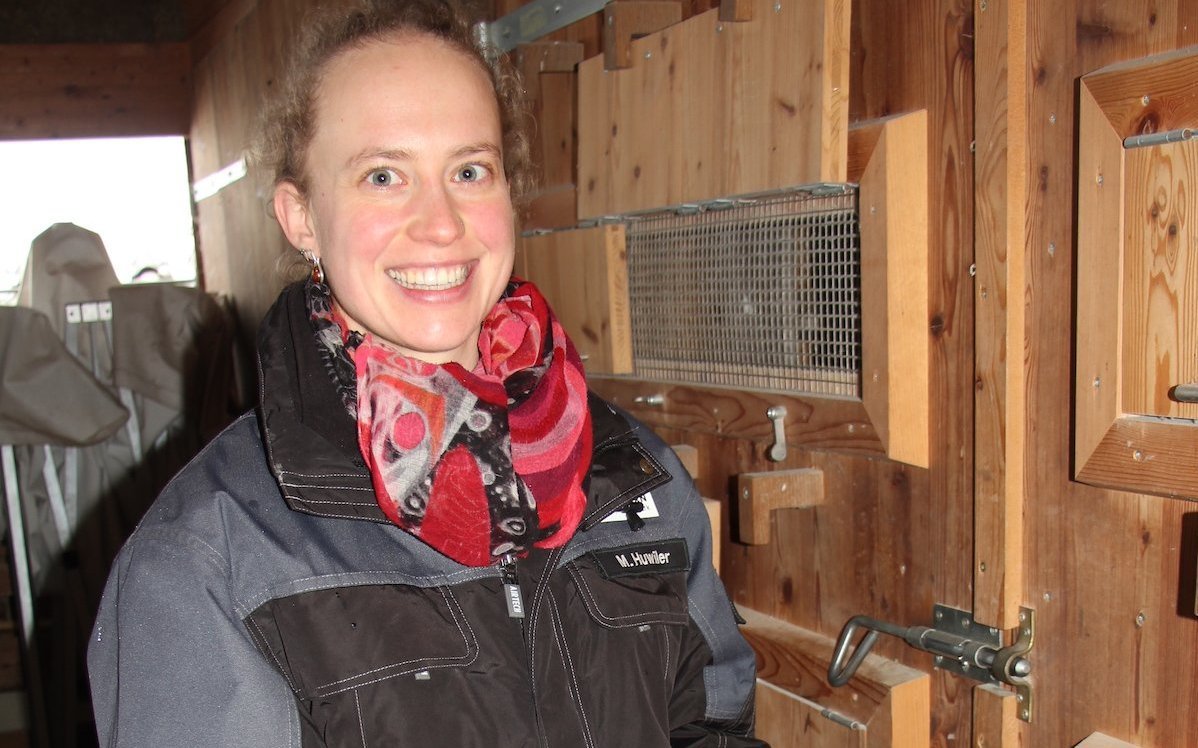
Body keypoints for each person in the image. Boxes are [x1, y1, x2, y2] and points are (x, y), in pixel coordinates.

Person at [87, 0, 765, 745]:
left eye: (469, 170)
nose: (441, 224)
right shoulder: (208, 559)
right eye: (383, 176)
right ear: (301, 216)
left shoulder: (636, 476)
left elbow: (711, 724)